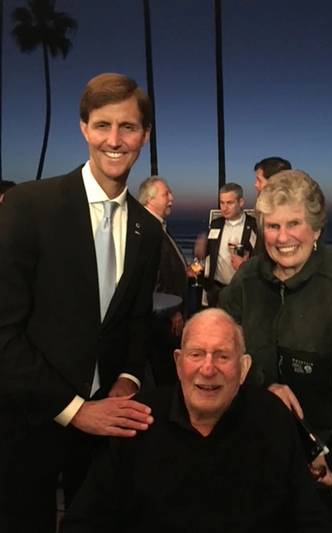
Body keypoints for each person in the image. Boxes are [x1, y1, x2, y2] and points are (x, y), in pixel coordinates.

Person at [0, 73, 162, 532]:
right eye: (103, 125)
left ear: (144, 135)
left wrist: (128, 380)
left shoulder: (147, 231)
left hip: (105, 431)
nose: (115, 140)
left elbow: (135, 320)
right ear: (84, 129)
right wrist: (75, 410)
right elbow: (3, 332)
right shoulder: (28, 206)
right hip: (27, 422)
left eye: (128, 127)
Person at [220, 169, 332, 533]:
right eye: (272, 226)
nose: (282, 238)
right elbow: (220, 351)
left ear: (316, 229)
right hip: (264, 458)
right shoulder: (248, 280)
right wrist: (262, 384)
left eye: (294, 224)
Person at [63, 308, 331, 533]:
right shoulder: (137, 419)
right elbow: (83, 522)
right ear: (178, 364)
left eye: (223, 356)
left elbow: (310, 519)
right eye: (196, 354)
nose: (207, 368)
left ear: (244, 369)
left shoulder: (273, 418)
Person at [138, 176, 191, 384]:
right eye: (166, 194)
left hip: (166, 313)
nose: (172, 198)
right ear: (150, 199)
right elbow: (150, 277)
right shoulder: (147, 229)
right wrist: (172, 311)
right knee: (164, 369)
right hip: (161, 317)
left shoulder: (157, 226)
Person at [197, 182, 257, 306]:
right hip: (216, 290)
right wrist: (200, 250)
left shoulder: (254, 226)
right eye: (222, 203)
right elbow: (207, 253)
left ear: (241, 202)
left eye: (229, 203)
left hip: (243, 291)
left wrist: (246, 264)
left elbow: (261, 259)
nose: (224, 208)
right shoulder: (215, 224)